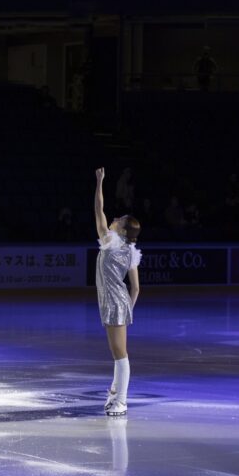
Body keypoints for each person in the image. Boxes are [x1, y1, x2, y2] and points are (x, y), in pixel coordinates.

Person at [94, 168, 142, 417]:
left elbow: (99, 211)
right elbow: (136, 288)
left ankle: (121, 400)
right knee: (117, 352)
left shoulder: (109, 241)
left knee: (119, 353)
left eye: (118, 220)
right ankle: (115, 392)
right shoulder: (131, 252)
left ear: (121, 231)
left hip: (114, 304)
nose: (113, 220)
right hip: (118, 303)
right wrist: (128, 309)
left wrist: (100, 183)